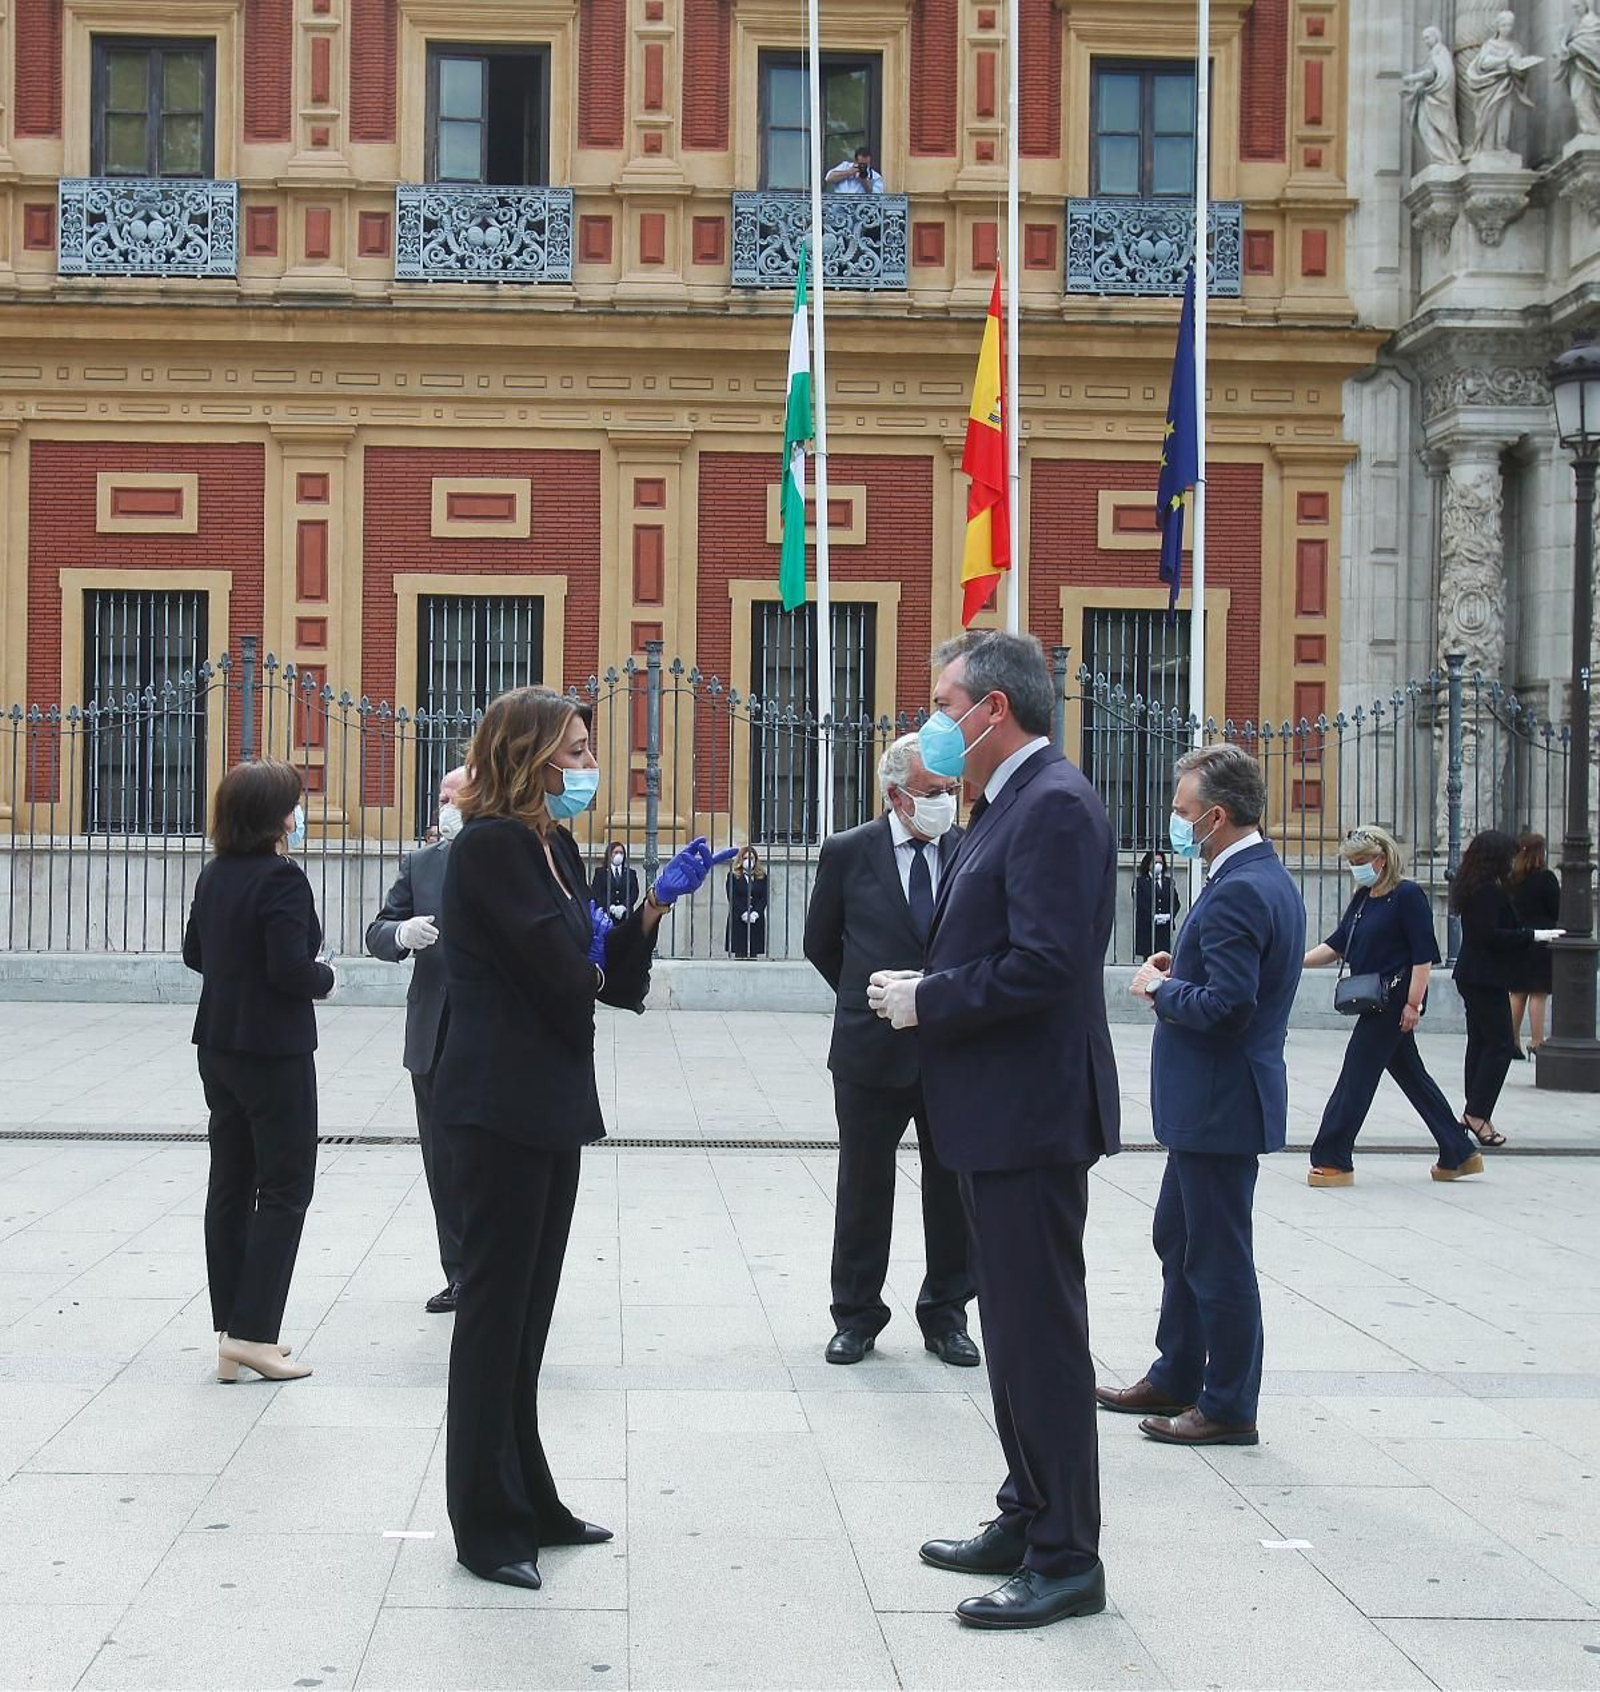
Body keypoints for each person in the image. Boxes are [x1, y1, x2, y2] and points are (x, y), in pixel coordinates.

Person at [433, 685, 732, 1593]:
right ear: (526, 756)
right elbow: (563, 971)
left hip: (548, 1101)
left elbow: (600, 977)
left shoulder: (552, 844)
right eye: (572, 750)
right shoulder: (490, 847)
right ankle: (484, 1522)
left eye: (586, 747)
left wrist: (648, 910)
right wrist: (592, 950)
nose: (588, 765)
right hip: (497, 1106)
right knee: (493, 1316)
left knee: (529, 1316)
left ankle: (528, 1492)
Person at [869, 630, 1120, 1632]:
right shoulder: (1004, 802)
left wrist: (929, 999)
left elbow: (1048, 965)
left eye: (943, 702)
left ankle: (1066, 1556)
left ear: (992, 711)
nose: (933, 719)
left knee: (1039, 1340)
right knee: (1014, 1335)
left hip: (1029, 1115)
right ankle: (1026, 1512)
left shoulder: (1053, 805)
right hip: (992, 1113)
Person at [1099, 744, 1303, 1449]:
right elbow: (1224, 976)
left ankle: (1228, 1403)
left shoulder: (1242, 886)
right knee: (1178, 1238)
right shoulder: (1256, 874)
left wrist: (1161, 988)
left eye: (1184, 812)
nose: (1176, 823)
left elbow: (1228, 1004)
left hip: (1220, 1102)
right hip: (1214, 1102)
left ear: (1217, 816)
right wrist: (1178, 966)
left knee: (1217, 1256)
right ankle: (1176, 1370)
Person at [803, 734, 977, 1370]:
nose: (945, 802)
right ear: (895, 795)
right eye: (933, 793)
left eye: (950, 791)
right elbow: (822, 942)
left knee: (952, 1187)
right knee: (863, 1187)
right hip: (869, 1049)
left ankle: (947, 1314)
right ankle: (856, 1315)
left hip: (950, 1048)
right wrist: (866, 995)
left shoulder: (967, 850)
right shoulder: (849, 852)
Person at [182, 758, 335, 1385]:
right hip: (273, 1049)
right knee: (285, 1187)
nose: (297, 815)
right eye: (293, 805)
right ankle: (254, 1334)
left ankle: (231, 1332)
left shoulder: (216, 874)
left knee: (231, 1182)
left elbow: (194, 952)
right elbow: (290, 970)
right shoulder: (281, 878)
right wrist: (327, 976)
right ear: (274, 816)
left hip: (217, 1044)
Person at [1301, 826, 1482, 1186]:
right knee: (1414, 1078)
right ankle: (1458, 1151)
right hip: (1375, 1000)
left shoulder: (1407, 895)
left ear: (1382, 859)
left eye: (1361, 861)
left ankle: (1334, 1157)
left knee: (1356, 1076)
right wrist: (1294, 959)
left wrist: (1413, 1004)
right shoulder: (1363, 898)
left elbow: (1423, 956)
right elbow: (1337, 944)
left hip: (1394, 1000)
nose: (1356, 867)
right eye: (1352, 862)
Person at [365, 765, 470, 1313]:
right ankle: (458, 1272)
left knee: (486, 1160)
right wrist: (400, 935)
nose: (446, 805)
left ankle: (492, 1267)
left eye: (457, 795)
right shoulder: (421, 862)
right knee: (442, 1160)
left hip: (489, 1034)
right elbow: (377, 929)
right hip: (433, 1031)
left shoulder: (513, 856)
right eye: (441, 796)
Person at [1450, 828, 1565, 1148]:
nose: (1513, 861)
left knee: (1481, 1042)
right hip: (1485, 975)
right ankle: (1477, 1113)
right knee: (1500, 1044)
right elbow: (1491, 936)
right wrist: (1534, 936)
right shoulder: (1488, 890)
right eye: (1509, 856)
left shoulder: (1474, 886)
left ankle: (1474, 1110)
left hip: (1474, 973)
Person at [1508, 832, 1561, 1058]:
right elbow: (1556, 909)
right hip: (1542, 939)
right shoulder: (1546, 878)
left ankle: (1511, 1041)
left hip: (1519, 939)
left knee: (1517, 992)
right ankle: (1537, 1041)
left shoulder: (1513, 880)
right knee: (1538, 993)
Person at [1134, 849, 1181, 960]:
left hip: (1164, 928)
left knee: (1163, 958)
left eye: (1160, 862)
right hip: (1147, 927)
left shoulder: (1168, 882)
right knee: (1149, 957)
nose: (1158, 865)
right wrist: (1153, 916)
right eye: (1155, 862)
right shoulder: (1140, 882)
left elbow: (1175, 902)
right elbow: (1140, 902)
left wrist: (1168, 916)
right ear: (1148, 864)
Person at [725, 844, 769, 957]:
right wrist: (743, 913)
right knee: (740, 951)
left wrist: (756, 913)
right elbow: (732, 897)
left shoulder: (762, 877)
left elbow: (764, 897)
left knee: (754, 951)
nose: (748, 861)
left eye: (751, 858)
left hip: (756, 919)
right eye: (745, 858)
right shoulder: (733, 876)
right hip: (738, 918)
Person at [589, 841, 640, 922]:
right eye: (616, 852)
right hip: (606, 916)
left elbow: (634, 893)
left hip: (626, 916)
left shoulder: (631, 873)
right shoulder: (600, 872)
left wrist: (624, 906)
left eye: (621, 853)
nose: (619, 855)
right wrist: (610, 907)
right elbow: (596, 893)